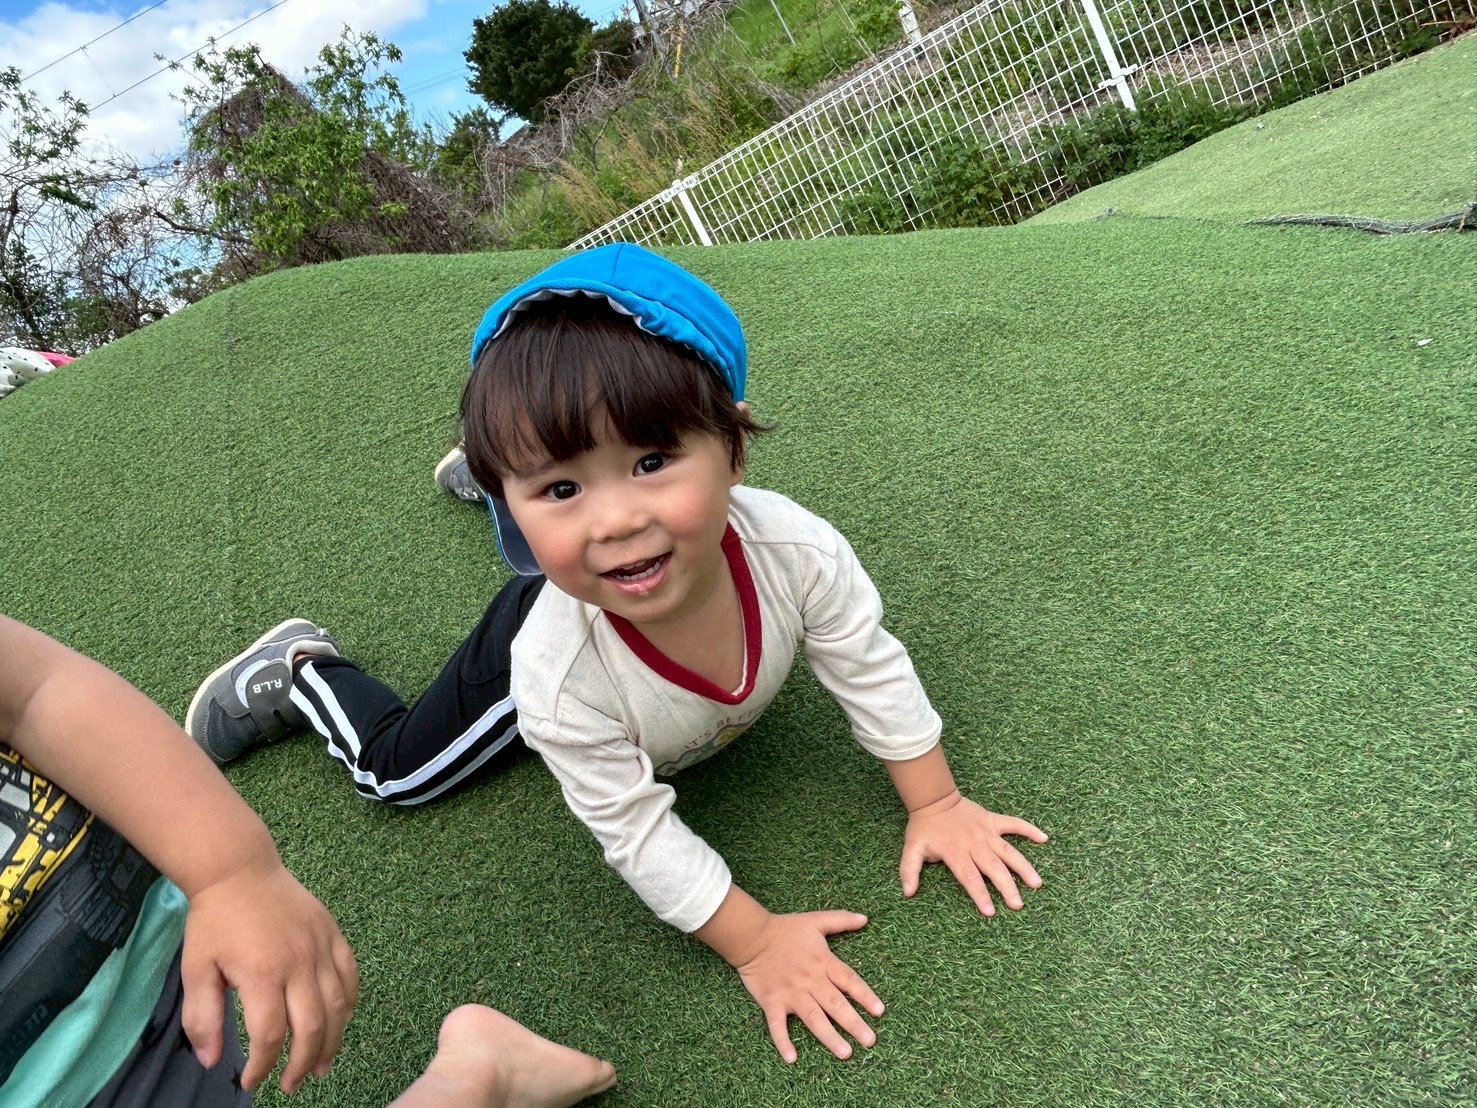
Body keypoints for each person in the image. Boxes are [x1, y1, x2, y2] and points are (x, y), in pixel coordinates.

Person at [186, 242, 1048, 1065]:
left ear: (733, 448)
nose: (617, 518)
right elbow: (635, 833)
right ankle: (303, 670)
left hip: (597, 580)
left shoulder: (797, 552)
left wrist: (937, 802)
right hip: (553, 626)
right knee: (399, 775)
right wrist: (756, 944)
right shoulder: (555, 679)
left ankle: (514, 467)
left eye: (651, 460)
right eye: (561, 485)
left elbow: (867, 663)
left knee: (577, 517)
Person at [0, 613, 615, 1107]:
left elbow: (35, 690)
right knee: (402, 767)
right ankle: (477, 1079)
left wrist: (231, 874)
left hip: (138, 990)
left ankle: (476, 1080)